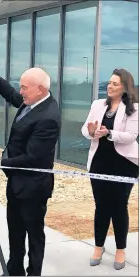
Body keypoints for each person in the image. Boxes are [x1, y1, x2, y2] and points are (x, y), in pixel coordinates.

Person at [0, 65, 61, 276]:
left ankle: (34, 272)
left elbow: (33, 157)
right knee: (15, 230)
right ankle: (14, 269)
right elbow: (13, 97)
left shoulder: (48, 117)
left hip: (33, 185)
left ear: (39, 89)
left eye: (24, 87)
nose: (20, 91)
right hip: (17, 181)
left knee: (33, 234)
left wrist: (1, 162)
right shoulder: (32, 101)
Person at [81, 68, 138, 270]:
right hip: (99, 162)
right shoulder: (97, 104)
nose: (110, 86)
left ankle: (120, 249)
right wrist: (91, 132)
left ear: (124, 87)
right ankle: (99, 246)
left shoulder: (134, 108)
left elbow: (131, 136)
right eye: (110, 82)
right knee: (101, 206)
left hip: (124, 164)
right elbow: (86, 129)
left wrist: (110, 133)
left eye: (115, 84)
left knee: (119, 207)